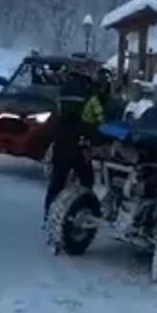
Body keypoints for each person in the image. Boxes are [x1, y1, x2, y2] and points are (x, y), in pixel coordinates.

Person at [45, 74, 100, 215]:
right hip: (79, 145)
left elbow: (55, 117)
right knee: (87, 181)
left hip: (62, 143)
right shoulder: (89, 96)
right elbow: (96, 120)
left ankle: (48, 214)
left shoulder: (63, 92)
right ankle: (85, 213)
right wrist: (95, 138)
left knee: (56, 184)